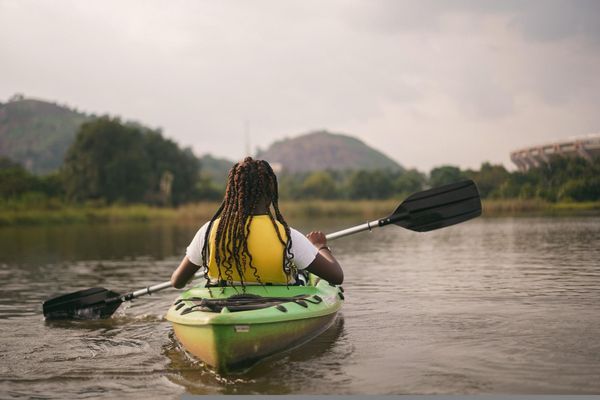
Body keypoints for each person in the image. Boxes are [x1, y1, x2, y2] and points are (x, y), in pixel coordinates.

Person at [171, 157, 343, 289]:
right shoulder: (287, 236)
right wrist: (320, 246)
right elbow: (336, 277)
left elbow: (177, 282)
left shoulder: (208, 231)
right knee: (302, 273)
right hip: (277, 306)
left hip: (220, 303)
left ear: (232, 193)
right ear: (271, 193)